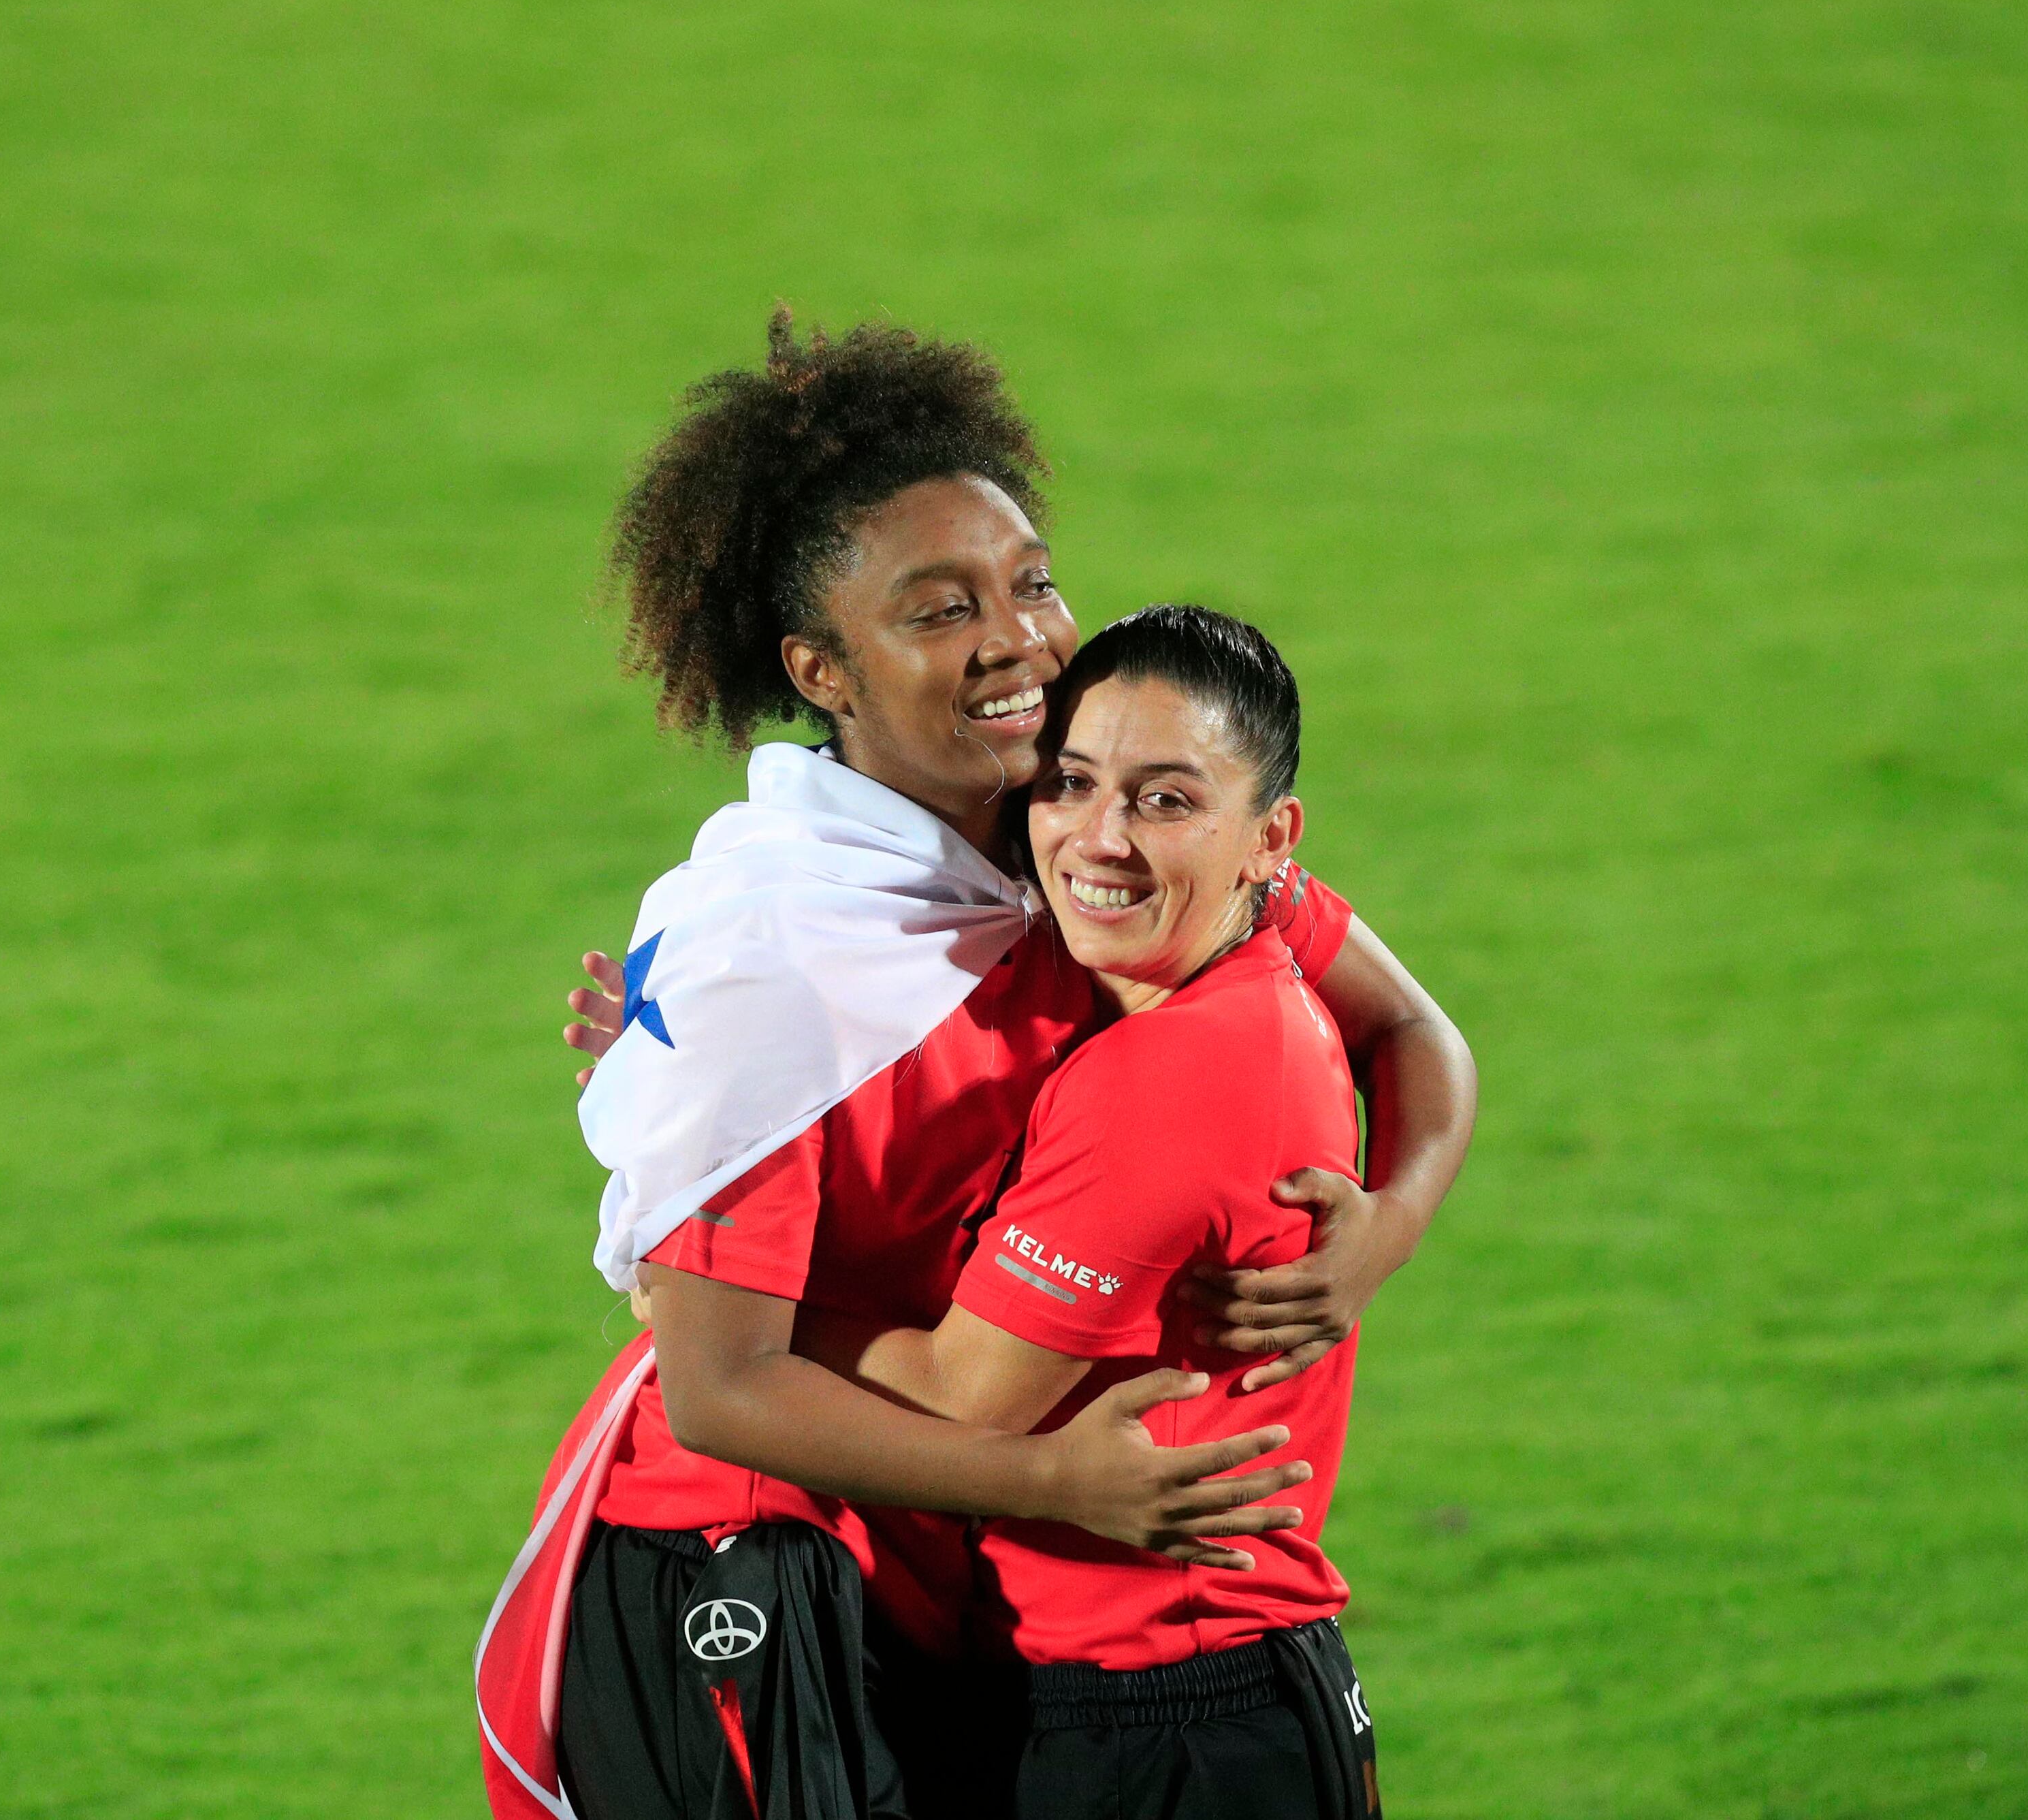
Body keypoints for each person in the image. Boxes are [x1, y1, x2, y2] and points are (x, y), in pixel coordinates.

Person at [474, 317, 1472, 1820]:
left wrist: (1381, 1232)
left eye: (1032, 581)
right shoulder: (773, 955)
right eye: (941, 610)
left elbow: (1415, 1030)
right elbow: (720, 1387)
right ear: (823, 668)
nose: (1018, 638)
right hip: (760, 1567)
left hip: (956, 1560)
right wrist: (1057, 1482)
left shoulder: (1088, 835)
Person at [802, 605, 1385, 1819]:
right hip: (1185, 1695)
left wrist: (723, 1302)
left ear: (1270, 838)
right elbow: (1421, 1028)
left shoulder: (1172, 1075)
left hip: (1175, 1724)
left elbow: (960, 1397)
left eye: (1166, 800)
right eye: (1069, 782)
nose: (1099, 838)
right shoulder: (1234, 967)